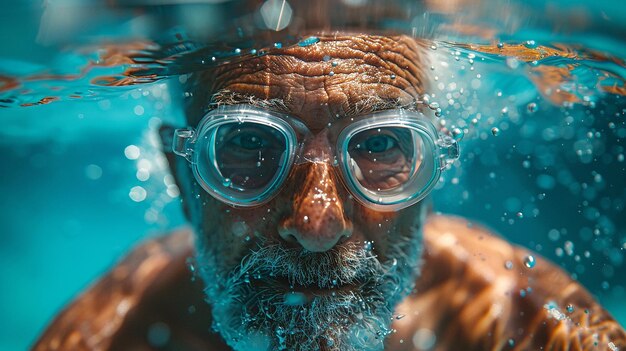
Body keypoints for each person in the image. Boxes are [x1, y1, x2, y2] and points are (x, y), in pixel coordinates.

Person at [34, 33, 626, 351]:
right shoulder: (108, 337)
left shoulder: (518, 322)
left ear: (429, 172)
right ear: (184, 177)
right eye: (248, 143)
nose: (317, 225)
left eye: (377, 147)